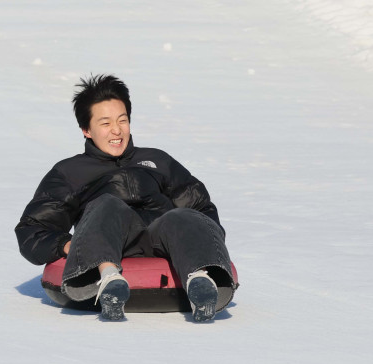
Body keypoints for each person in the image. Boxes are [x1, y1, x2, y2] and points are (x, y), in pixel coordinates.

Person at [15, 74, 236, 322]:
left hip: (162, 240)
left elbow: (201, 208)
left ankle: (200, 282)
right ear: (86, 130)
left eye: (123, 120)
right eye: (106, 123)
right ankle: (110, 281)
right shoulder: (69, 172)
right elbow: (32, 229)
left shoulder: (158, 160)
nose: (117, 130)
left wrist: (202, 242)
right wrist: (70, 245)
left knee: (183, 214)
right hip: (109, 240)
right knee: (107, 204)